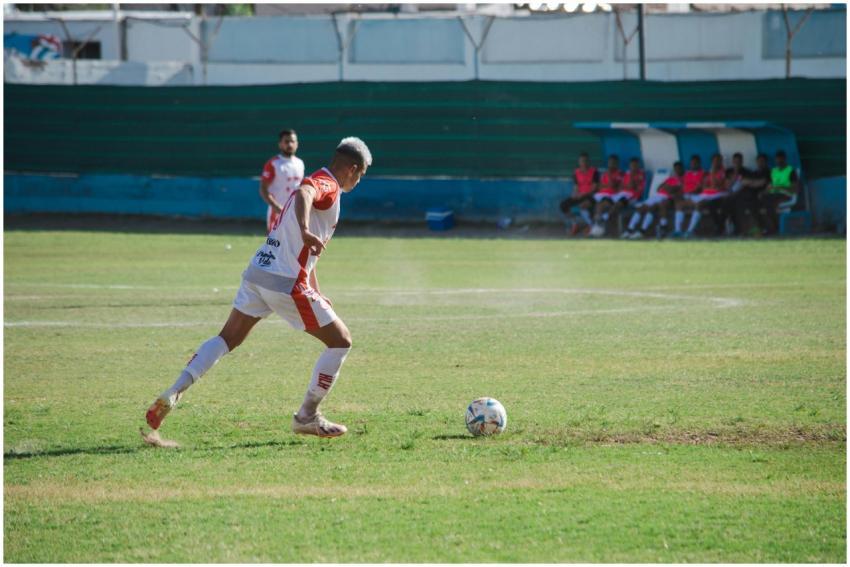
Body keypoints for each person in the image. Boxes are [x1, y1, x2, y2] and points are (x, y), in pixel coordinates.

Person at [144, 137, 372, 441]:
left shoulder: (320, 177)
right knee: (341, 341)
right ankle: (307, 416)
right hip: (285, 283)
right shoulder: (327, 185)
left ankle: (175, 390)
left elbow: (303, 248)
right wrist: (305, 230)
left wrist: (316, 286)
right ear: (353, 169)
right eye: (360, 175)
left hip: (259, 271)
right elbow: (305, 192)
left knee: (227, 338)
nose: (358, 181)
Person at [623, 160, 684, 239]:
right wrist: (667, 187)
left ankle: (653, 229)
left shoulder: (684, 178)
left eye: (679, 168)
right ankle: (630, 229)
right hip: (658, 195)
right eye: (676, 169)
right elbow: (659, 188)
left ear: (682, 169)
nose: (677, 170)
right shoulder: (671, 178)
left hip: (668, 198)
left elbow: (675, 189)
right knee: (642, 208)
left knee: (655, 207)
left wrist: (668, 188)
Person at [260, 129, 305, 233]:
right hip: (277, 213)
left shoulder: (300, 163)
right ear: (280, 144)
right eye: (286, 141)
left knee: (295, 246)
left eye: (292, 141)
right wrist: (276, 207)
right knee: (275, 246)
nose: (290, 144)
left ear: (297, 144)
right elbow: (263, 189)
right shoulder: (273, 163)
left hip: (296, 212)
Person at [757, 150, 799, 236]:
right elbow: (769, 185)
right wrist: (763, 192)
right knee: (761, 198)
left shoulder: (790, 170)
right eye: (777, 160)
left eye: (781, 160)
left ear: (785, 159)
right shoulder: (773, 171)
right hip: (773, 194)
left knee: (769, 202)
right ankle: (766, 228)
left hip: (786, 194)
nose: (779, 162)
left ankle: (772, 228)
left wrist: (780, 187)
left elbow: (795, 189)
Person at [687, 153, 728, 237]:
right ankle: (686, 231)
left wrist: (712, 177)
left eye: (718, 160)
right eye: (714, 161)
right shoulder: (708, 172)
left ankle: (690, 231)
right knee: (683, 202)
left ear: (721, 161)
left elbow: (716, 185)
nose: (716, 162)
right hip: (707, 194)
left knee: (700, 204)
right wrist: (708, 187)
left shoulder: (724, 172)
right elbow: (704, 185)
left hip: (718, 195)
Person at [729, 153, 770, 236]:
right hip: (746, 194)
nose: (760, 163)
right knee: (734, 202)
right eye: (759, 161)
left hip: (758, 195)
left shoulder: (768, 172)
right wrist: (750, 183)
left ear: (766, 162)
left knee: (749, 204)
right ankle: (741, 229)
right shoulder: (754, 172)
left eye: (762, 161)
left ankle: (758, 229)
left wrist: (750, 183)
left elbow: (762, 183)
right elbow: (745, 182)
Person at [559, 152, 599, 236]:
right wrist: (575, 194)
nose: (583, 163)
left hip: (591, 196)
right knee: (563, 205)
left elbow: (594, 189)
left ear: (588, 162)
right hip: (580, 195)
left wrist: (583, 194)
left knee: (583, 205)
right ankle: (575, 224)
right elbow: (576, 186)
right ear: (579, 162)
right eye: (581, 161)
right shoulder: (576, 172)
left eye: (585, 161)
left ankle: (591, 226)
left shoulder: (594, 171)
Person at [671, 155, 706, 238]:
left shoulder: (703, 173)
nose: (693, 165)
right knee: (679, 204)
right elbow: (684, 186)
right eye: (692, 163)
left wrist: (693, 191)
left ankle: (690, 231)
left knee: (699, 205)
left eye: (695, 163)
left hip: (698, 196)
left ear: (699, 163)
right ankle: (678, 231)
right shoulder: (688, 174)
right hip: (687, 196)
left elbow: (701, 187)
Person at [588, 154, 623, 237]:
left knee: (600, 206)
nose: (611, 165)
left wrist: (609, 176)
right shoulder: (604, 174)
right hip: (600, 194)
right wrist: (606, 185)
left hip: (612, 196)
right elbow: (599, 186)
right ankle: (593, 225)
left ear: (617, 164)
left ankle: (598, 228)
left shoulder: (620, 173)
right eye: (610, 163)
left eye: (613, 163)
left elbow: (613, 185)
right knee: (586, 204)